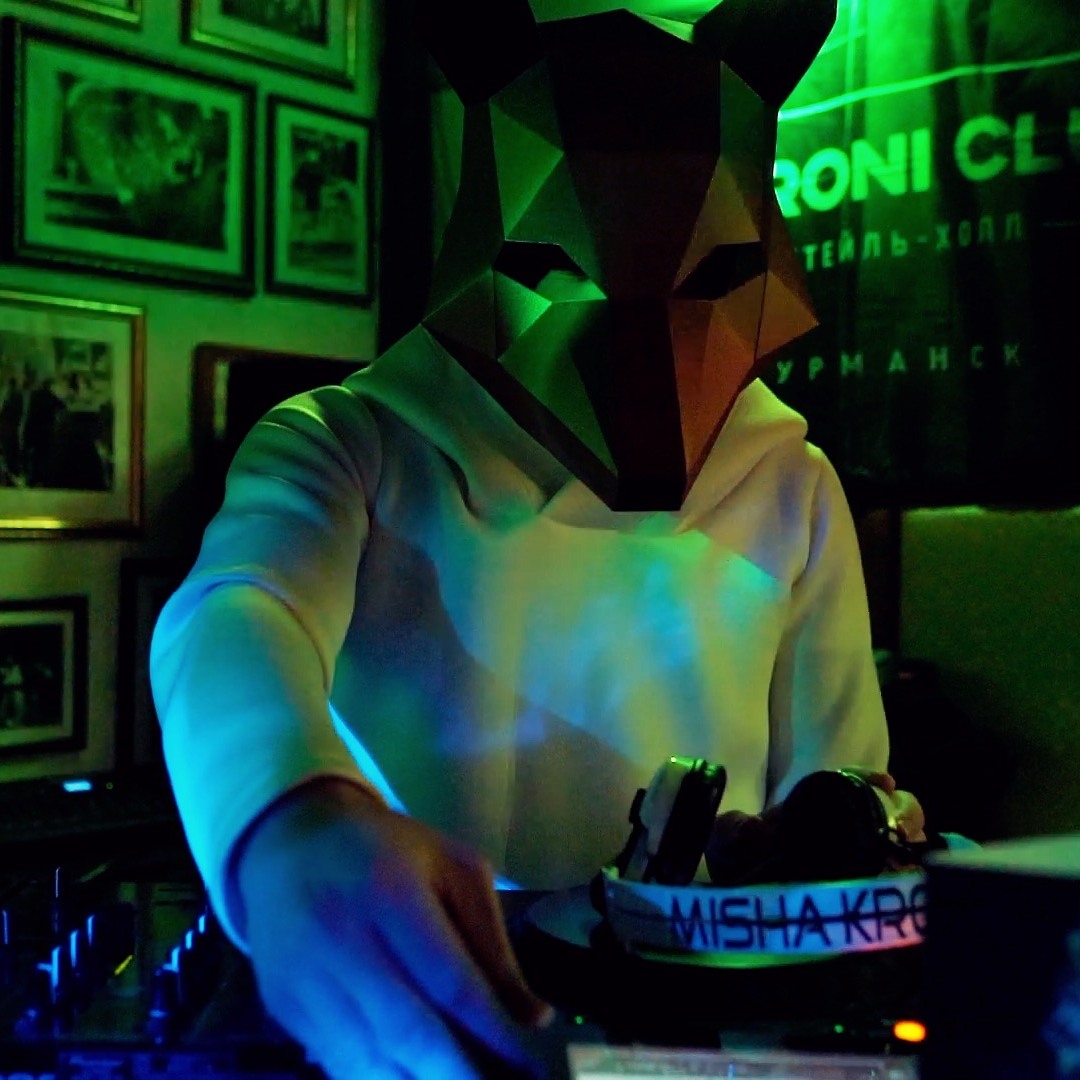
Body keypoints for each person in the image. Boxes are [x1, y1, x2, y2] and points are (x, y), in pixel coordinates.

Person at [150, 2, 928, 1077]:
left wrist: (824, 846)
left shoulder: (792, 484)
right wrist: (287, 813)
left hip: (698, 1035)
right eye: (562, 274)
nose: (644, 365)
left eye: (710, 279)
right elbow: (236, 611)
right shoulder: (351, 444)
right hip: (419, 1015)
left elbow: (841, 790)